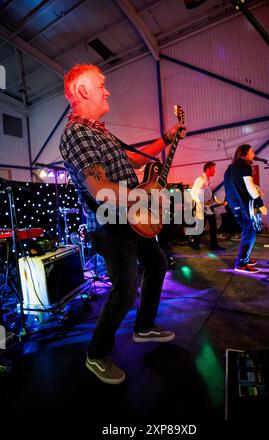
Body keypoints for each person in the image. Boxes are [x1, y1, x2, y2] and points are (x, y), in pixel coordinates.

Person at [59, 64, 186, 385]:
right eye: (101, 85)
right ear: (83, 91)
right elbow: (100, 190)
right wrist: (143, 199)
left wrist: (165, 139)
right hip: (110, 225)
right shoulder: (77, 133)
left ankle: (144, 327)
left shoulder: (99, 131)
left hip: (131, 219)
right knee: (125, 291)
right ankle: (96, 355)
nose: (107, 90)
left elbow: (135, 159)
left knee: (156, 264)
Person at [224, 144, 267, 273]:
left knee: (249, 231)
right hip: (242, 206)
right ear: (245, 153)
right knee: (249, 231)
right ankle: (241, 264)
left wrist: (256, 190)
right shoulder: (244, 167)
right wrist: (260, 203)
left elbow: (237, 188)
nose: (253, 153)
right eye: (251, 151)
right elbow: (249, 187)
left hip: (235, 205)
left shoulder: (231, 169)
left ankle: (245, 258)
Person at [191, 161, 226, 251]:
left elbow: (210, 196)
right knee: (200, 227)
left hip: (208, 209)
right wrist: (202, 203)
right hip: (201, 208)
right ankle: (195, 244)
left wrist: (220, 202)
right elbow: (193, 193)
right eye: (213, 169)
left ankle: (214, 245)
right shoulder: (200, 180)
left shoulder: (207, 181)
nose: (214, 171)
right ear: (207, 169)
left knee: (213, 227)